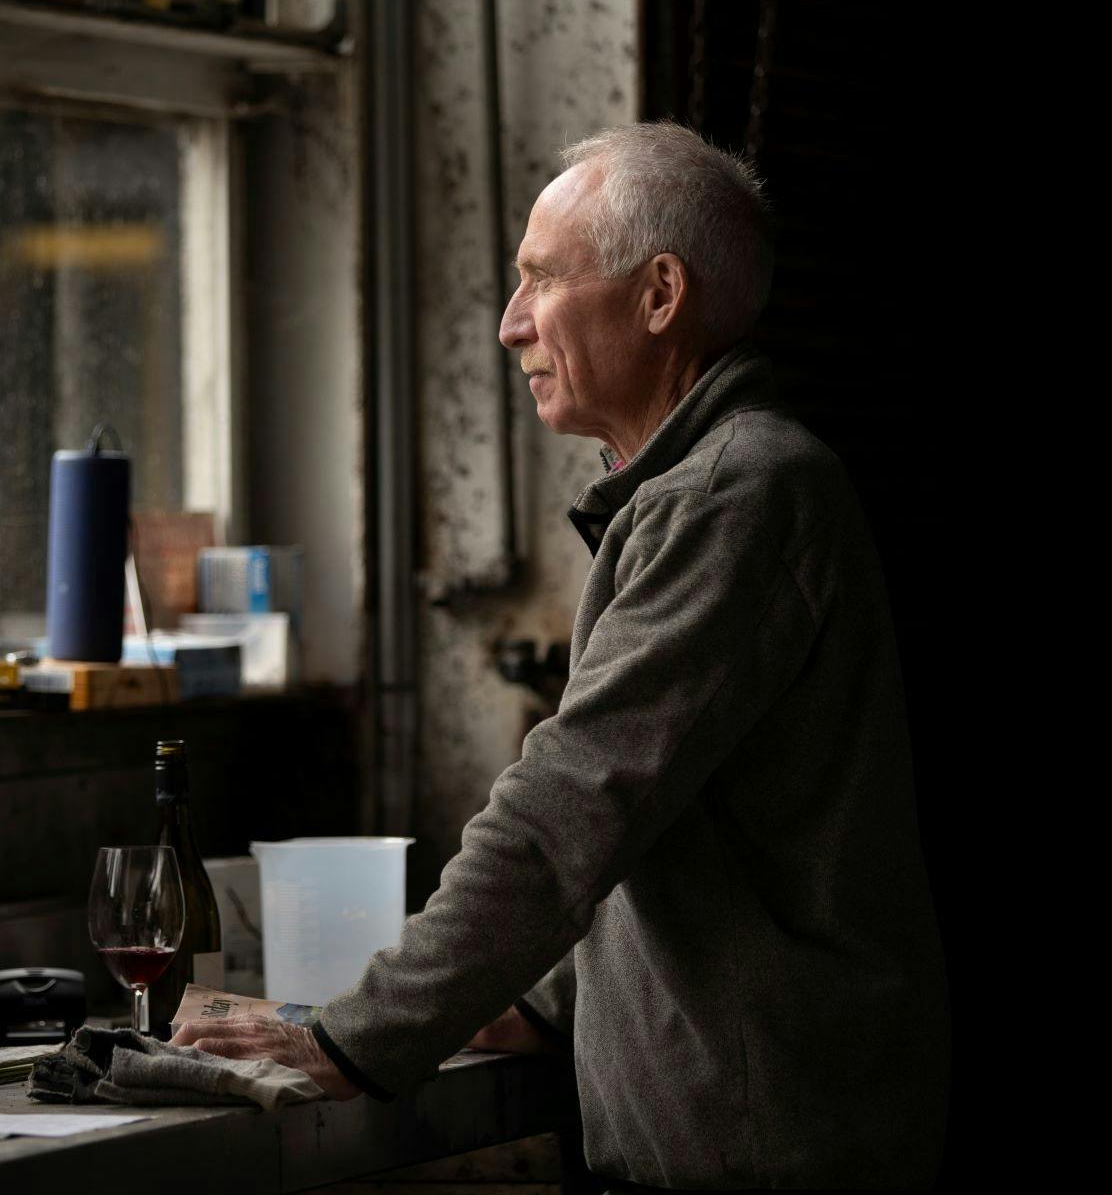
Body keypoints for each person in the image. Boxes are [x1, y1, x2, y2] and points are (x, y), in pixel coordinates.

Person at [171, 122, 948, 1192]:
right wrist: (540, 1003)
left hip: (768, 1150)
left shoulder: (737, 491)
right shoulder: (700, 488)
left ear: (660, 295)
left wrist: (356, 1034)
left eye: (541, 280)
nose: (508, 326)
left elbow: (573, 802)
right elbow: (688, 822)